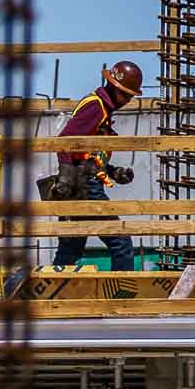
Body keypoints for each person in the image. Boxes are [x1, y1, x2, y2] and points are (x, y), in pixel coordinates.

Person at [52, 60, 144, 272]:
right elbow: (65, 141)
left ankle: (51, 297)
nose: (128, 100)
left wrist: (113, 172)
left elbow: (90, 155)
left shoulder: (103, 109)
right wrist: (65, 178)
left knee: (70, 249)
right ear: (113, 87)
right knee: (121, 243)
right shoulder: (96, 106)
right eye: (126, 95)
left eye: (131, 96)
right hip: (84, 187)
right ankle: (123, 299)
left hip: (80, 183)